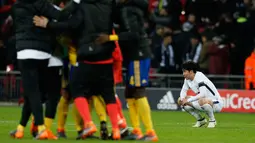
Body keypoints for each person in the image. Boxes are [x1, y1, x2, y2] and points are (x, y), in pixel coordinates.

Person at [33, 0, 121, 140]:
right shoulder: (109, 4)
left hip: (87, 57)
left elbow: (70, 25)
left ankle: (88, 123)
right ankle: (116, 130)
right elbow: (118, 21)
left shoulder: (82, 5)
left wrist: (48, 24)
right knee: (108, 95)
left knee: (77, 90)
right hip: (106, 57)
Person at [9, 0, 79, 139]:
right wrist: (75, 3)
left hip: (23, 51)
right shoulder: (40, 4)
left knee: (32, 92)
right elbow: (61, 15)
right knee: (35, 93)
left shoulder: (16, 7)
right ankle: (28, 128)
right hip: (42, 52)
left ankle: (35, 128)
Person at [95, 0, 158, 141]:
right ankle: (136, 129)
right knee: (129, 92)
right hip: (133, 55)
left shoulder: (128, 10)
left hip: (138, 55)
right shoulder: (130, 8)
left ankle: (150, 132)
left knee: (138, 90)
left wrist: (110, 38)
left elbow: (134, 35)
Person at [178, 61, 223, 128]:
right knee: (180, 100)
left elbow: (203, 94)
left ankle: (212, 121)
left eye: (185, 71)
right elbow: (183, 91)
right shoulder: (187, 79)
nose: (183, 74)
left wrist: (188, 100)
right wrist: (182, 99)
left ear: (191, 71)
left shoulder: (199, 76)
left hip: (216, 103)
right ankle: (201, 120)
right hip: (202, 102)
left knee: (201, 100)